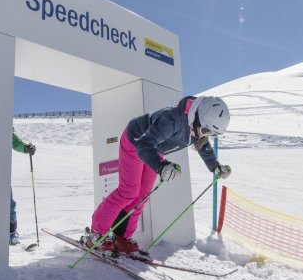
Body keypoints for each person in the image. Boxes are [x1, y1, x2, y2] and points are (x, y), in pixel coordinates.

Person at [85, 95, 233, 255]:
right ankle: (96, 233)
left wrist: (215, 168)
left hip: (155, 151)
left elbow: (203, 146)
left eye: (210, 133)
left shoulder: (197, 128)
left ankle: (122, 238)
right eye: (205, 130)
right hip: (135, 143)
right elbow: (143, 144)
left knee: (142, 196)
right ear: (197, 115)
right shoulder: (171, 120)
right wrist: (161, 166)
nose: (203, 134)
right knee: (128, 192)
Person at [10, 131, 37, 245]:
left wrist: (25, 148)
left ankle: (11, 232)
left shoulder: (1, 121)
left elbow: (14, 140)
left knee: (7, 200)